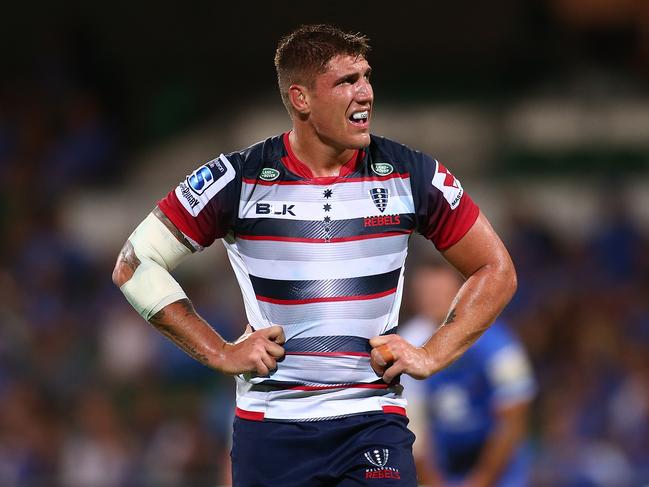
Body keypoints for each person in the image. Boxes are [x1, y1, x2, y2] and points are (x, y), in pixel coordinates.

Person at [112, 24, 517, 486]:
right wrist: (219, 352)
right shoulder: (238, 178)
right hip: (271, 430)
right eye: (346, 81)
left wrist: (433, 353)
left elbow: (496, 269)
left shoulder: (411, 174)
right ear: (301, 99)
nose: (365, 93)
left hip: (372, 421)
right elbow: (135, 262)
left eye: (365, 77)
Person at [400, 261, 535, 487]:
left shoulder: (499, 342)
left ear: (461, 292)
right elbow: (412, 425)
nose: (432, 299)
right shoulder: (408, 344)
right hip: (443, 461)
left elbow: (514, 417)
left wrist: (481, 480)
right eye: (426, 293)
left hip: (496, 462)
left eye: (440, 292)